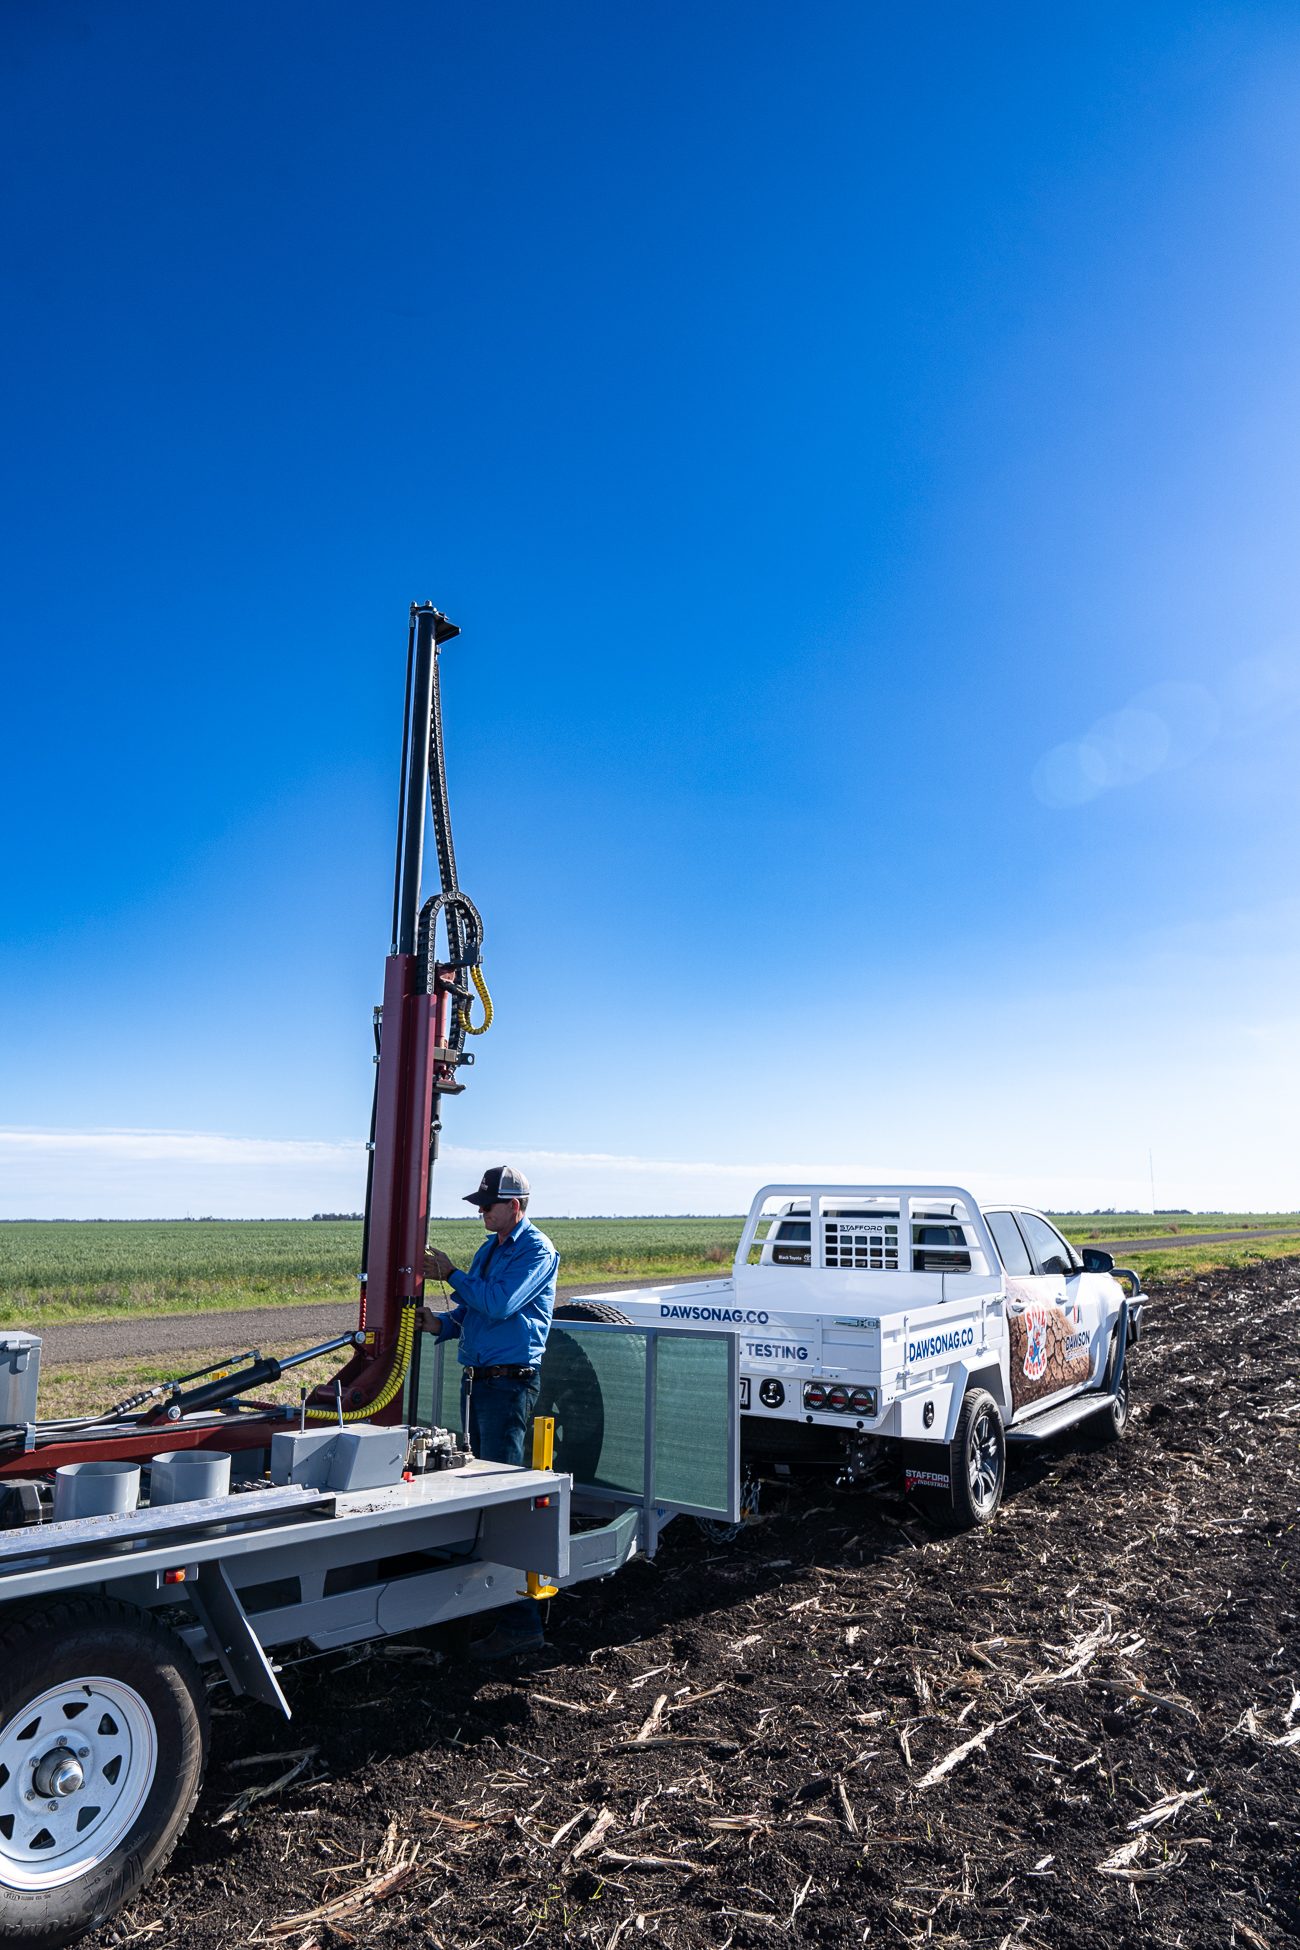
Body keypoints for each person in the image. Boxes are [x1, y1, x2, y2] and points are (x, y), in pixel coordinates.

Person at [417, 1164, 559, 1660]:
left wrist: (451, 1274)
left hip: (508, 1385)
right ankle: (492, 1601)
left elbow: (500, 1304)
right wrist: (441, 1324)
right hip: (481, 1382)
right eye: (480, 1205)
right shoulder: (490, 1249)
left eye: (488, 1205)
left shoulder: (536, 1250)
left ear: (514, 1206)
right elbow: (474, 1312)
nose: (481, 1212)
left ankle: (521, 1624)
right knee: (482, 1487)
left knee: (502, 1498)